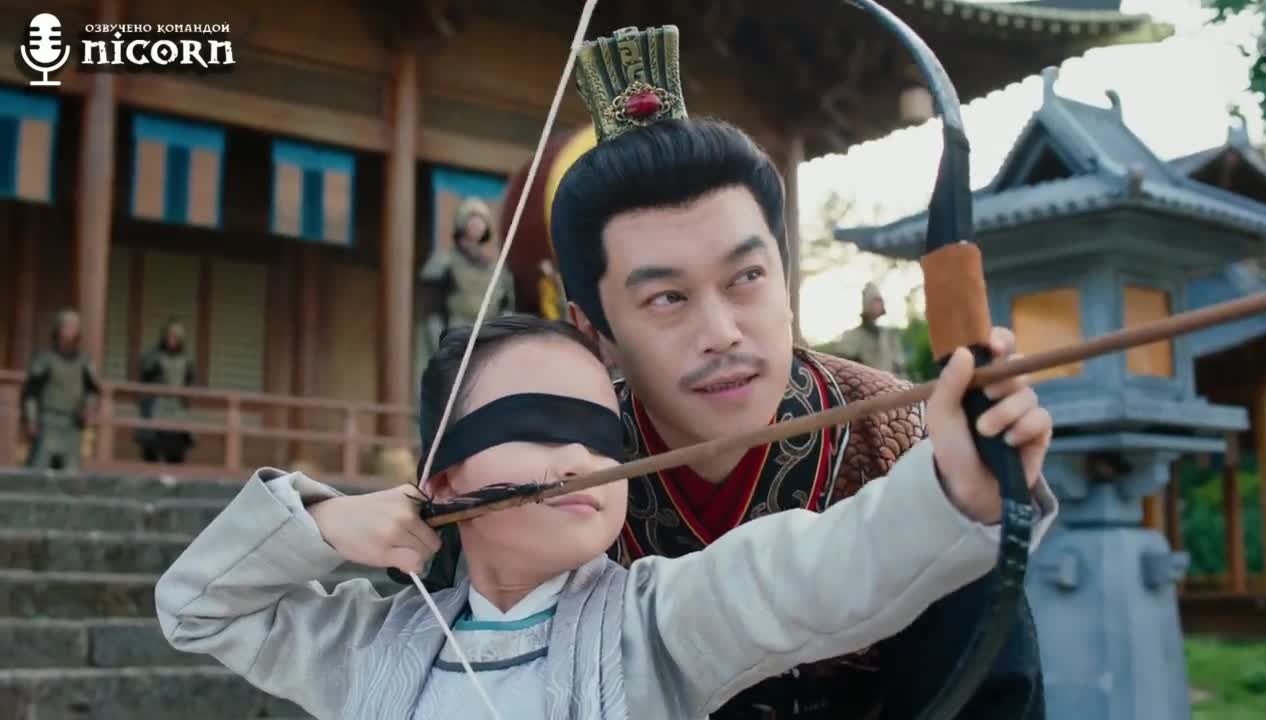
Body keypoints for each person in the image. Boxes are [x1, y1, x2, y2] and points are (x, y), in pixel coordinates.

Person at [155, 314, 1057, 720]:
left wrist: (956, 483)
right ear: (445, 474)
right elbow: (197, 608)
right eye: (537, 425)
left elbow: (813, 572)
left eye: (601, 434)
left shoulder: (653, 625)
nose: (585, 459)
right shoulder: (370, 647)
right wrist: (321, 523)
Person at [541, 25, 1052, 719]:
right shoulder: (560, 477)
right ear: (592, 331)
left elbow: (990, 695)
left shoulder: (900, 438)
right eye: (666, 298)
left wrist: (973, 494)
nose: (722, 333)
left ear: (787, 279)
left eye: (746, 277)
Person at [419, 197, 517, 333]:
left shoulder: (496, 270)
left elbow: (506, 309)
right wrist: (439, 339)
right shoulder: (444, 262)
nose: (478, 224)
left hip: (487, 334)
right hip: (455, 334)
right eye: (473, 218)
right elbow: (431, 311)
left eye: (482, 219)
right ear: (462, 221)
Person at [20, 309, 101, 472]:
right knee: (39, 468)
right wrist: (31, 419)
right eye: (67, 327)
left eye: (74, 327)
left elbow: (92, 391)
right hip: (48, 421)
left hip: (73, 424)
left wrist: (89, 409)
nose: (70, 331)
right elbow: (31, 393)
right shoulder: (44, 359)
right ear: (58, 330)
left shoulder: (84, 362)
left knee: (70, 472)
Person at [134, 318, 196, 464]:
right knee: (151, 449)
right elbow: (144, 376)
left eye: (176, 336)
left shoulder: (186, 360)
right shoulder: (154, 356)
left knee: (175, 451)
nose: (172, 339)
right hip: (156, 406)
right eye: (170, 335)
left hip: (177, 409)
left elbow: (189, 380)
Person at [829, 282, 906, 376]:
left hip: (889, 382)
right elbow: (840, 364)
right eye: (874, 301)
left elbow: (899, 368)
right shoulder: (852, 336)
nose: (878, 305)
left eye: (879, 301)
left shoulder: (889, 336)